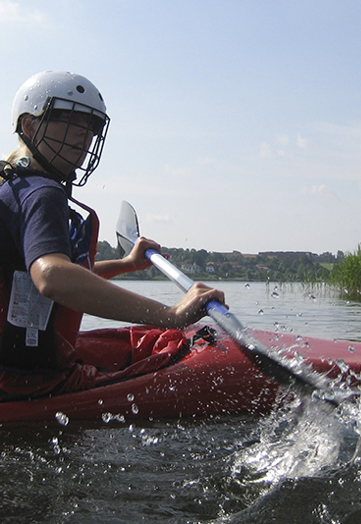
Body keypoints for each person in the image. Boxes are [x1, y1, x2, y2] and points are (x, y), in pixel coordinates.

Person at [0, 70, 225, 400]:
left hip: (15, 367)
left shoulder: (16, 186)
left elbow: (42, 278)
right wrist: (171, 316)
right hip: (30, 384)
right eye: (68, 119)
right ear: (30, 126)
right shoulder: (44, 195)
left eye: (91, 125)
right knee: (175, 343)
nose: (84, 134)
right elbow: (52, 278)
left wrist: (125, 264)